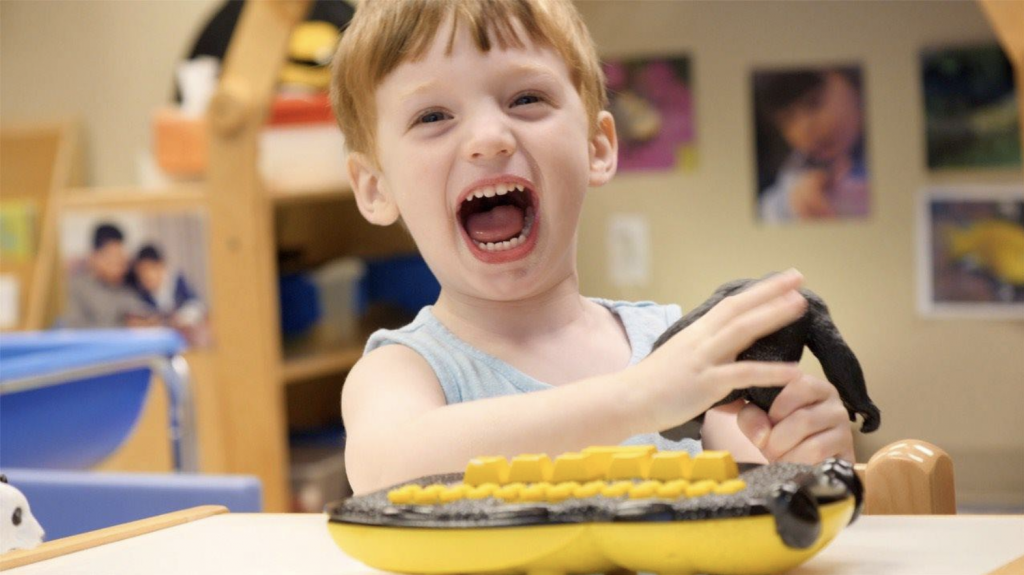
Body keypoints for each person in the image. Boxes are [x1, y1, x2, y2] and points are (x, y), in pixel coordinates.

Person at [331, 0, 855, 494]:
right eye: (432, 116)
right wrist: (637, 399)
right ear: (376, 188)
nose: (489, 137)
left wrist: (804, 460)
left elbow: (766, 499)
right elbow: (388, 469)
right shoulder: (403, 371)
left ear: (597, 148)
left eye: (525, 99)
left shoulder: (674, 349)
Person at [755, 69, 869, 223]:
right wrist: (792, 202)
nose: (804, 130)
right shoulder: (799, 169)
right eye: (787, 119)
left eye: (813, 103)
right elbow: (765, 212)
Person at [63, 223, 157, 328]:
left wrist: (148, 321)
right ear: (95, 257)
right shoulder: (76, 287)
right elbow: (74, 328)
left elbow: (141, 311)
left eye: (121, 260)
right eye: (112, 259)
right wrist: (123, 326)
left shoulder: (125, 288)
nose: (120, 267)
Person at [127, 244, 206, 330]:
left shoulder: (177, 282)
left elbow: (196, 306)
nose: (146, 276)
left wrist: (181, 318)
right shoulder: (142, 294)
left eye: (150, 268)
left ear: (161, 266)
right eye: (141, 271)